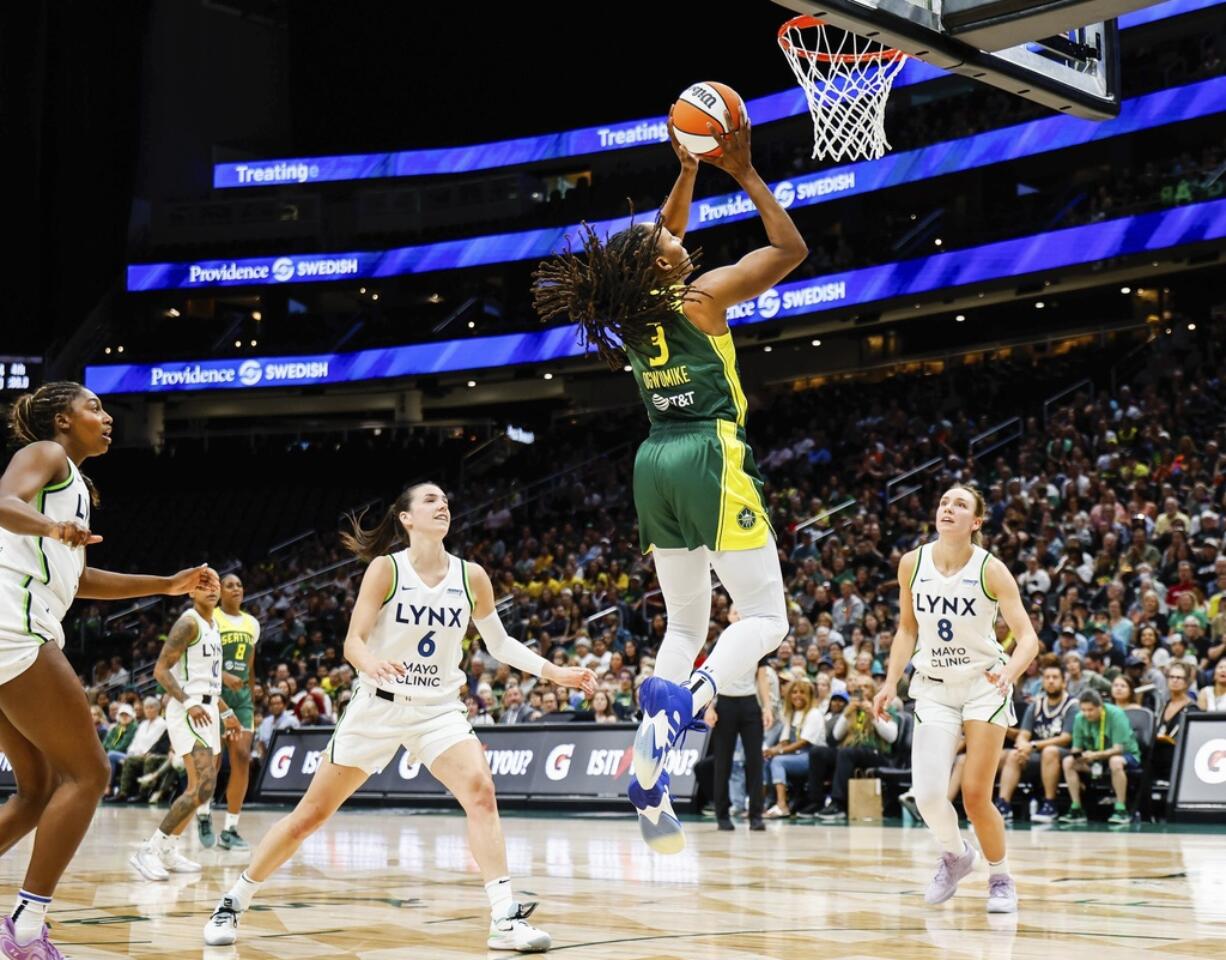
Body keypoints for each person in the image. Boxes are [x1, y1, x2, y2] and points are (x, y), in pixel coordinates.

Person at [533, 106, 805, 853]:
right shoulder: (702, 297)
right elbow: (790, 247)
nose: (674, 234)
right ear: (661, 264)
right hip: (708, 453)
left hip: (652, 459)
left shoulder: (629, 308)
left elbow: (658, 232)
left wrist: (687, 169)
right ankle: (693, 700)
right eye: (665, 240)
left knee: (686, 624)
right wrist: (743, 172)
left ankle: (650, 763)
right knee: (766, 620)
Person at [202, 482, 595, 952]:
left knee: (482, 793)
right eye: (430, 500)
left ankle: (505, 918)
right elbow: (353, 642)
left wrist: (556, 672)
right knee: (309, 817)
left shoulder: (472, 577)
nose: (442, 504)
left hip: (438, 711)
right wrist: (371, 664)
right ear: (406, 518)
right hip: (378, 708)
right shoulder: (385, 570)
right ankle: (234, 901)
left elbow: (500, 644)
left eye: (446, 500)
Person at [0, 381, 216, 959]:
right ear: (62, 420)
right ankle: (23, 929)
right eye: (93, 406)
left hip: (14, 629)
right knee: (90, 774)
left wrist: (166, 584)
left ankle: (20, 924)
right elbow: (2, 504)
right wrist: (49, 528)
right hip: (13, 629)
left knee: (39, 788)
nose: (107, 416)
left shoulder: (76, 488)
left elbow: (79, 581)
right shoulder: (46, 455)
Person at [874, 485, 1040, 914]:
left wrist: (1008, 672)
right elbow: (907, 630)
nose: (948, 508)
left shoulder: (992, 570)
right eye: (944, 501)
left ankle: (1000, 878)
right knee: (928, 795)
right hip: (933, 685)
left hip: (984, 685)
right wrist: (891, 681)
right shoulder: (912, 563)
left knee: (973, 795)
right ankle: (956, 855)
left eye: (960, 505)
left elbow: (1028, 640)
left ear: (976, 522)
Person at [130, 571, 241, 880]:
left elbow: (209, 683)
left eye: (214, 584)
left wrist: (226, 710)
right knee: (203, 785)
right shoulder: (188, 622)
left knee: (202, 790)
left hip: (207, 708)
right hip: (187, 709)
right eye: (203, 584)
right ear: (192, 591)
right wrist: (188, 702)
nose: (210, 588)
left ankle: (168, 848)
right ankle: (150, 849)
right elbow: (160, 670)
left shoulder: (215, 625)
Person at [201, 573, 261, 851]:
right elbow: (203, 657)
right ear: (220, 591)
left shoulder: (252, 623)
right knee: (213, 761)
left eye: (239, 584)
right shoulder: (210, 617)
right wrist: (223, 676)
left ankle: (230, 829)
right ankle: (203, 814)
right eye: (229, 585)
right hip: (215, 694)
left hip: (242, 699)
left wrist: (252, 689)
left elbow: (250, 663)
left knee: (242, 757)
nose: (236, 588)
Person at [995, 659, 1078, 823]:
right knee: (1012, 755)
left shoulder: (1072, 705)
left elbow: (1066, 738)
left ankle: (1050, 804)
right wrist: (1021, 747)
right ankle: (1003, 805)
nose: (1051, 681)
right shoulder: (1036, 705)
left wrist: (1032, 745)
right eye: (1047, 677)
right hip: (1036, 753)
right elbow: (1024, 734)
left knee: (1050, 751)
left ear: (1063, 682)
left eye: (1055, 677)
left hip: (1065, 754)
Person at [1059, 689, 1141, 824]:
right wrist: (1078, 756)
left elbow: (1118, 749)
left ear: (1100, 707)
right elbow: (1076, 748)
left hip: (1125, 755)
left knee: (1115, 761)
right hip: (1095, 759)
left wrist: (1095, 755)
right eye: (1083, 710)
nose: (1086, 714)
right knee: (1068, 762)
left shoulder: (1116, 715)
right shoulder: (1080, 718)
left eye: (1090, 710)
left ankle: (1121, 809)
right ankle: (1076, 808)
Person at [114, 697, 169, 802]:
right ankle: (123, 793)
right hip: (139, 755)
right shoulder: (143, 724)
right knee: (129, 760)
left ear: (157, 709)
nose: (148, 710)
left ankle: (143, 794)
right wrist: (132, 753)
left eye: (151, 707)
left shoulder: (163, 724)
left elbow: (158, 743)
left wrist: (148, 753)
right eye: (146, 708)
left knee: (149, 760)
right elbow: (134, 742)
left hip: (156, 755)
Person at [1151, 661, 1199, 780]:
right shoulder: (1165, 704)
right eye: (1171, 677)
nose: (1174, 680)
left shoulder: (1192, 709)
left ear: (1187, 681)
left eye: (1179, 677)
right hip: (1158, 758)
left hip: (1178, 760)